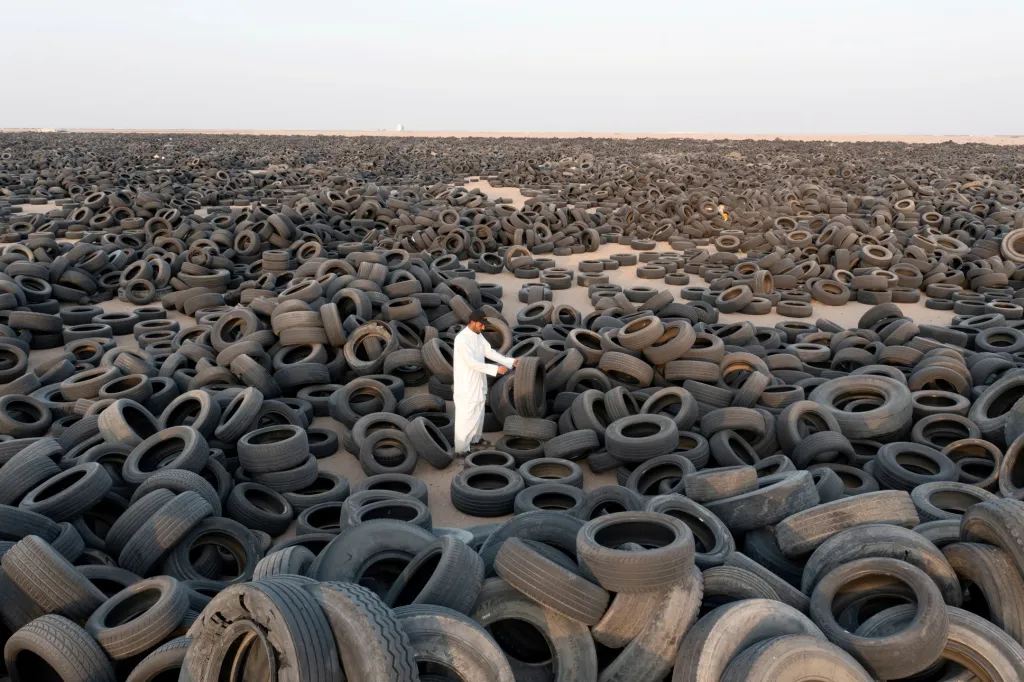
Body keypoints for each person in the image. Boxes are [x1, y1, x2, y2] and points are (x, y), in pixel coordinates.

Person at [453, 310, 518, 454]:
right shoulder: (462, 339)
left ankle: (475, 439)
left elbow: (489, 352)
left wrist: (510, 362)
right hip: (466, 384)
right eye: (481, 324)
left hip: (478, 381)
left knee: (479, 412)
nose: (483, 327)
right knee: (466, 417)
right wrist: (495, 369)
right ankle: (461, 450)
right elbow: (471, 363)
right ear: (473, 322)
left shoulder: (478, 335)